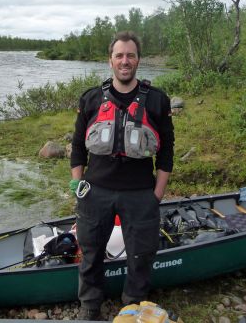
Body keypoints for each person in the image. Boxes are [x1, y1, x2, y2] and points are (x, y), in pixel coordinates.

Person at [70, 31, 175, 320]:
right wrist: (77, 184)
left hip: (140, 193)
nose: (125, 61)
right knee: (91, 254)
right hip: (95, 192)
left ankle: (132, 305)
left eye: (130, 55)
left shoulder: (157, 100)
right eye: (119, 55)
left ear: (138, 60)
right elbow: (78, 145)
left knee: (141, 257)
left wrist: (157, 194)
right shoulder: (91, 98)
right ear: (111, 60)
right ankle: (90, 307)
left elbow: (167, 152)